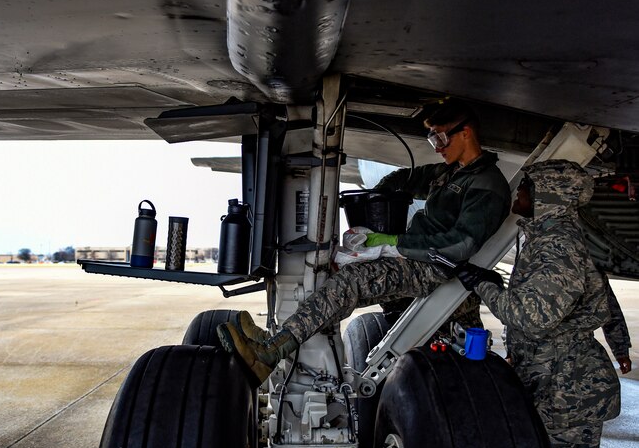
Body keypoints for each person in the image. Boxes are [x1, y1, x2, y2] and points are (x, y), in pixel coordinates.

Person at [217, 99, 512, 385]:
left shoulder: (487, 184)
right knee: (330, 272)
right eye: (433, 139)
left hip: (439, 267)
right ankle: (280, 337)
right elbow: (405, 178)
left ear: (465, 132)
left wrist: (396, 242)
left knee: (351, 281)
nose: (438, 147)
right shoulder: (450, 173)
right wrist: (379, 197)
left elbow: (460, 245)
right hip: (418, 258)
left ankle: (270, 353)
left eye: (442, 138)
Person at [456, 159, 621, 448]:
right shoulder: (546, 238)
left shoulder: (559, 246)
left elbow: (531, 317)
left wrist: (481, 284)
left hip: (571, 395)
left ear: (549, 195)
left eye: (527, 186)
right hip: (553, 386)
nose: (520, 192)